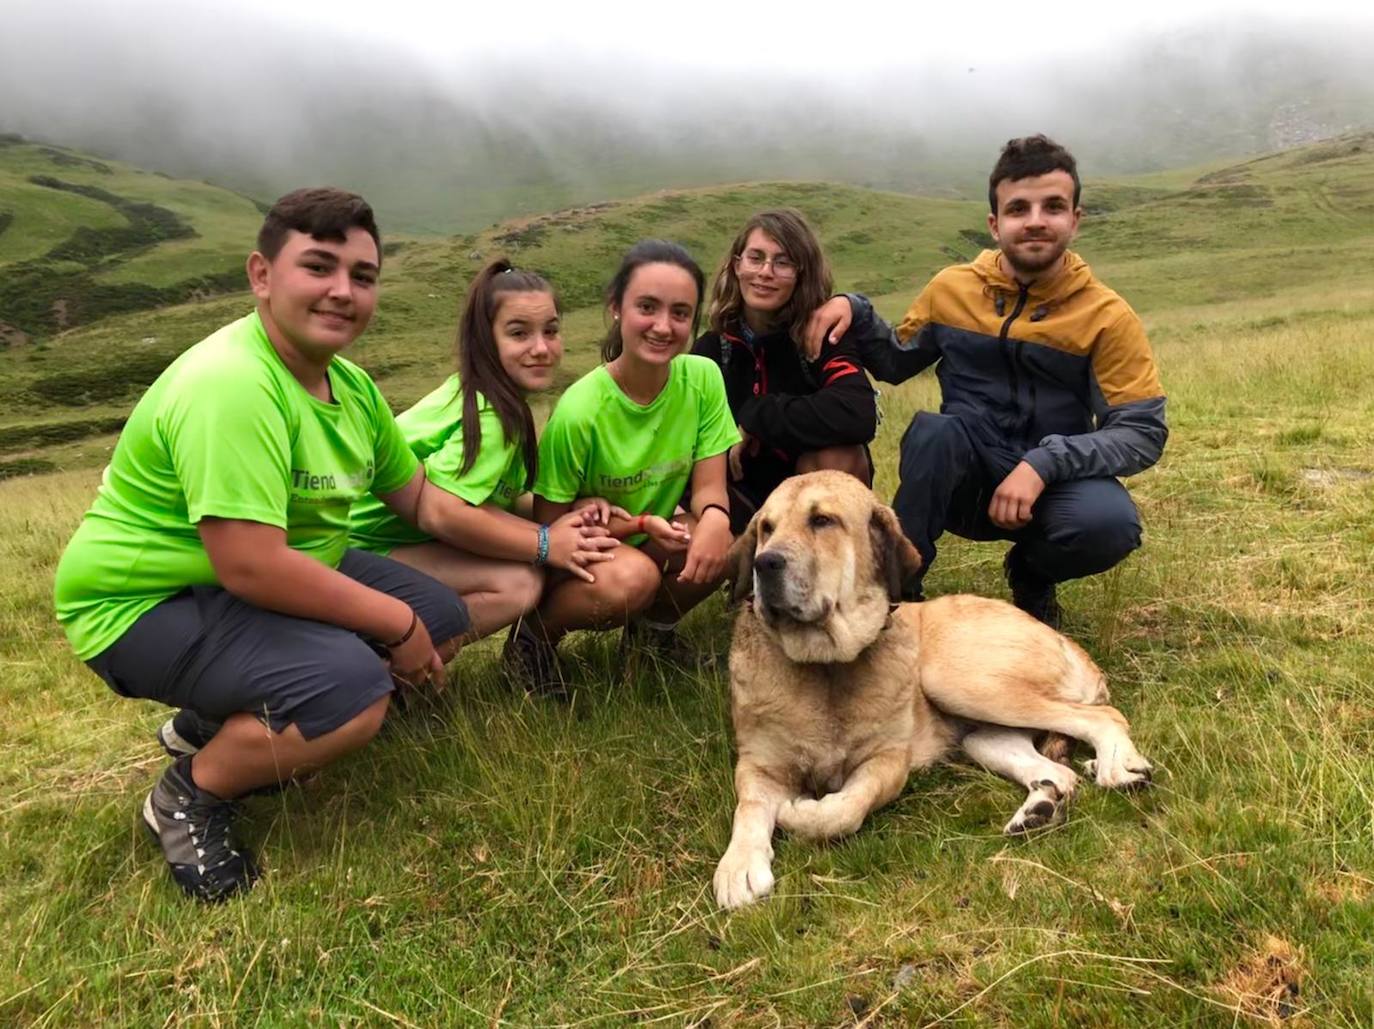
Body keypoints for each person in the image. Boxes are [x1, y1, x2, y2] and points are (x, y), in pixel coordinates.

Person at [53, 188, 469, 902]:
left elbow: (420, 498)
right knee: (356, 689)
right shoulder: (234, 385)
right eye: (319, 266)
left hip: (243, 581)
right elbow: (249, 564)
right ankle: (189, 796)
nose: (343, 291)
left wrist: (546, 538)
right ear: (261, 275)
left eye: (363, 277)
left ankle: (217, 720)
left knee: (447, 618)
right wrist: (394, 624)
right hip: (141, 601)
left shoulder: (352, 388)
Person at [810, 135, 1167, 627]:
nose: (1036, 220)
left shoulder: (1107, 316)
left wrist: (1045, 462)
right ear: (995, 225)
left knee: (1109, 524)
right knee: (934, 432)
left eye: (1053, 206)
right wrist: (853, 305)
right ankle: (893, 596)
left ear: (1075, 220)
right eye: (1019, 208)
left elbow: (1141, 432)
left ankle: (1031, 573)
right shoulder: (951, 288)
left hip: (1051, 484)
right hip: (965, 478)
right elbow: (895, 361)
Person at [506, 239, 740, 692]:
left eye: (679, 313)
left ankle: (652, 642)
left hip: (646, 532)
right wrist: (638, 524)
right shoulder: (580, 411)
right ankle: (531, 641)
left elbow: (711, 487)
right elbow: (554, 534)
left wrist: (715, 517)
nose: (662, 326)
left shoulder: (704, 379)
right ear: (616, 308)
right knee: (635, 579)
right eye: (647, 307)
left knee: (720, 541)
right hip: (589, 553)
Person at [347, 259, 617, 641]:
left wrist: (570, 508)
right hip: (359, 546)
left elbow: (488, 497)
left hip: (372, 541)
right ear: (485, 340)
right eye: (519, 333)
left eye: (551, 331)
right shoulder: (491, 417)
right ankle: (402, 669)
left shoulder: (486, 395)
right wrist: (545, 544)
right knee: (518, 584)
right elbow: (442, 512)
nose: (541, 348)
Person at [691, 208, 878, 536]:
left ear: (801, 274)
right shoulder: (712, 350)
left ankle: (832, 573)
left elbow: (857, 411)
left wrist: (756, 416)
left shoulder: (822, 335)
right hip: (740, 498)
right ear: (737, 266)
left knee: (838, 456)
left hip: (810, 501)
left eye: (782, 262)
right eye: (755, 258)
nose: (765, 272)